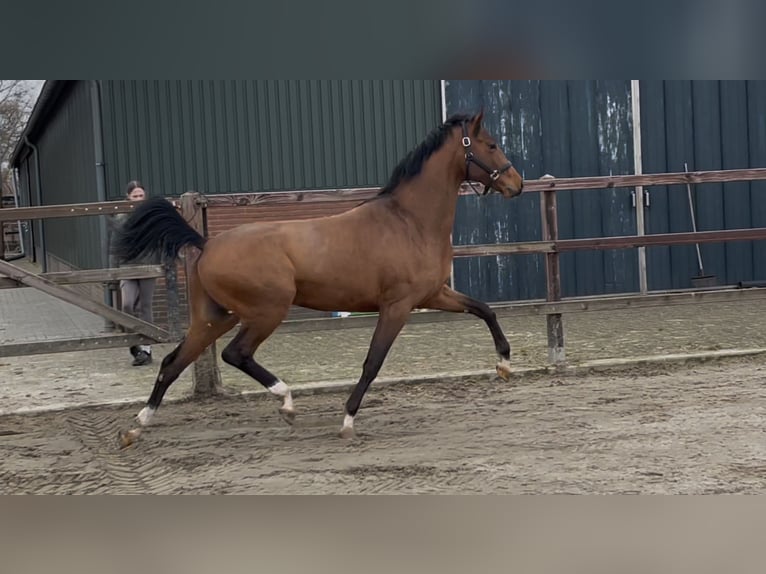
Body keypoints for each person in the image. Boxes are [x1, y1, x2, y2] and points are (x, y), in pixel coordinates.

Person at [112, 181, 158, 366]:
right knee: (128, 304)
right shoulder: (121, 218)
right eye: (135, 196)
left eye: (141, 196)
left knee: (145, 306)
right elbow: (114, 245)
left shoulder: (152, 216)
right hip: (127, 267)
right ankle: (133, 342)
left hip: (148, 266)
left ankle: (146, 349)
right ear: (128, 198)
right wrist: (112, 271)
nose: (138, 199)